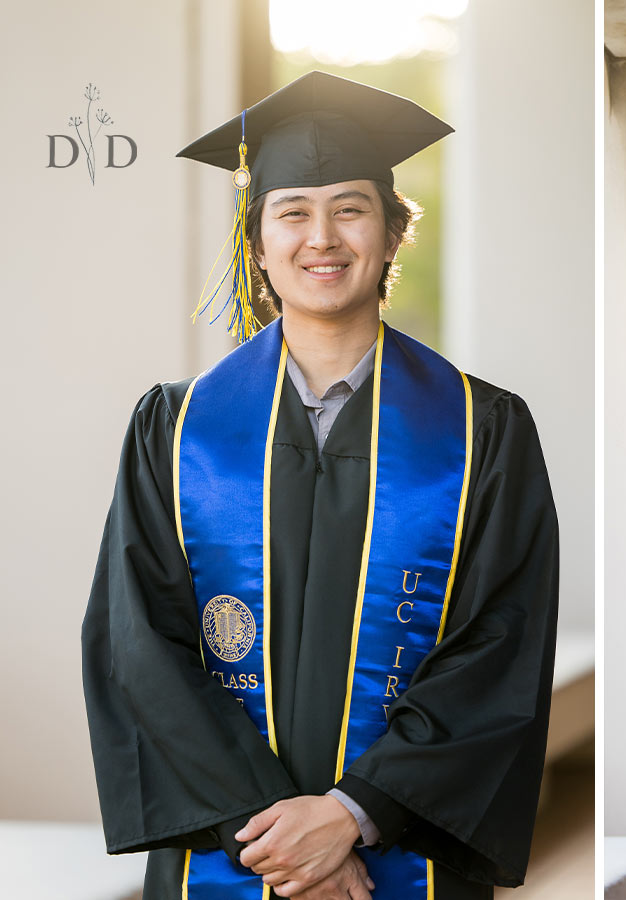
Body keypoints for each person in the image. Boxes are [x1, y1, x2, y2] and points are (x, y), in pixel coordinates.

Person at [82, 71, 559, 900]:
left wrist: (353, 815)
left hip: (408, 854)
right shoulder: (176, 425)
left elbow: (501, 645)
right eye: (292, 212)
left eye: (350, 208)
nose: (322, 237)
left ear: (390, 231)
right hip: (227, 857)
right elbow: (138, 644)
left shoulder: (485, 430)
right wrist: (278, 837)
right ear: (257, 242)